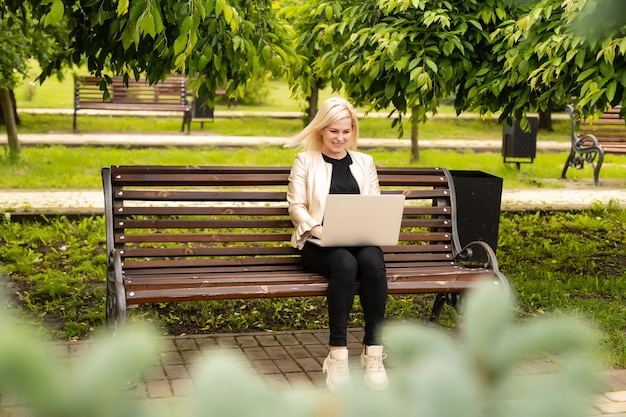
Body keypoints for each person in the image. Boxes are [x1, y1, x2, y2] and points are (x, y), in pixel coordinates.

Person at [286, 97, 389, 391]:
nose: (340, 138)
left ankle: (373, 352)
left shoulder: (364, 162)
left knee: (373, 262)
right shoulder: (305, 161)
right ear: (321, 130)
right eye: (333, 132)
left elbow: (374, 204)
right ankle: (337, 354)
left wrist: (373, 226)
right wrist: (316, 228)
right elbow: (296, 206)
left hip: (358, 238)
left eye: (346, 131)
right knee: (345, 264)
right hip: (318, 243)